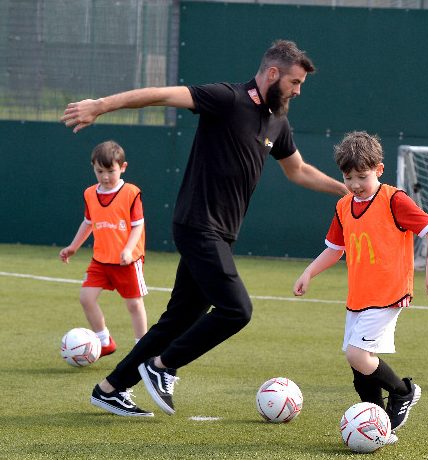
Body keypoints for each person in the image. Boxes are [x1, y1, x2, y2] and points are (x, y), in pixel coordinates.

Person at [61, 40, 348, 417]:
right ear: (273, 73)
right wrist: (100, 106)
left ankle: (110, 388)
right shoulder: (226, 99)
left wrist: (345, 190)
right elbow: (160, 95)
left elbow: (298, 170)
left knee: (180, 318)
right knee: (237, 310)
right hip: (199, 225)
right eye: (294, 82)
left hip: (221, 234)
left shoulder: (277, 122)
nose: (297, 91)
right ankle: (163, 366)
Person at [293, 131, 428, 437]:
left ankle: (403, 391)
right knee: (358, 367)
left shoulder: (394, 200)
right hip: (359, 296)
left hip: (389, 294)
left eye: (361, 176)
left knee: (357, 355)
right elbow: (336, 249)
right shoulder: (343, 206)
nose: (354, 185)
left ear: (379, 169)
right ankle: (379, 426)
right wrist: (309, 272)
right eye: (348, 177)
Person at [59, 140, 148, 356]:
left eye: (111, 171)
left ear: (123, 167)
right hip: (100, 260)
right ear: (93, 168)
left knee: (134, 305)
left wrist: (127, 250)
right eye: (100, 171)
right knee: (86, 298)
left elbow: (138, 226)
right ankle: (104, 340)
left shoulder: (131, 193)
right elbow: (88, 222)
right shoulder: (90, 193)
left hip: (127, 261)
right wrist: (73, 247)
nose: (105, 176)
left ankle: (143, 349)